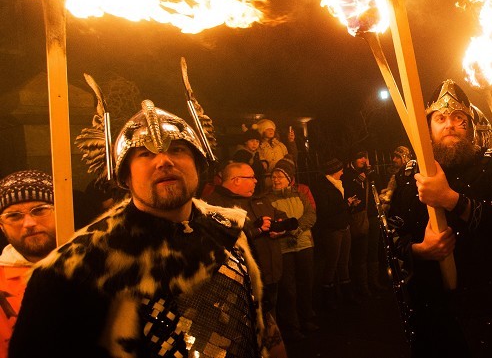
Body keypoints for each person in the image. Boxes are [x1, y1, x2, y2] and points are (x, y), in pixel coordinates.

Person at [9, 100, 268, 357]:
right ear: (125, 175)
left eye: (177, 149)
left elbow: (262, 324)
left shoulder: (230, 229)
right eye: (145, 153)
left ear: (198, 164)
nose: (164, 160)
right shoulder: (76, 268)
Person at [387, 79, 492, 357]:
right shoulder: (406, 176)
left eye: (458, 118)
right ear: (428, 128)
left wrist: (452, 200)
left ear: (470, 123)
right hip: (432, 313)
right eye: (440, 118)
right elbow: (386, 240)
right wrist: (418, 251)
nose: (449, 125)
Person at [205, 162, 288, 339]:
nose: (256, 181)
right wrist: (256, 231)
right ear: (235, 180)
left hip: (270, 272)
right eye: (251, 177)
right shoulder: (214, 206)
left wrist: (281, 226)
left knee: (270, 319)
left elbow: (278, 214)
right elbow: (221, 241)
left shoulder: (255, 199)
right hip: (243, 282)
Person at [0, 170, 55, 358]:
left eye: (39, 210)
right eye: (14, 216)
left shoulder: (92, 268)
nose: (29, 223)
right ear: (2, 227)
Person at [269, 159, 318, 339]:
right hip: (283, 248)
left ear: (289, 179)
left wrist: (295, 230)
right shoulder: (269, 199)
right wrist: (285, 232)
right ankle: (292, 325)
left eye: (280, 176)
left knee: (306, 282)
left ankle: (307, 317)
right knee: (288, 288)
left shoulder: (300, 194)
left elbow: (311, 215)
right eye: (274, 176)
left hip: (304, 244)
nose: (276, 179)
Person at [310, 158, 353, 310]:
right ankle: (328, 297)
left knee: (344, 261)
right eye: (340, 169)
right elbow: (325, 210)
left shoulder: (338, 184)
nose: (342, 171)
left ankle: (346, 294)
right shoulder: (322, 187)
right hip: (332, 229)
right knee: (332, 262)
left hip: (343, 226)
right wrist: (345, 204)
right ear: (334, 171)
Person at [342, 151, 376, 299]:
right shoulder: (347, 175)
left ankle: (373, 282)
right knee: (360, 253)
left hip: (372, 216)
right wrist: (359, 180)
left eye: (365, 157)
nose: (363, 160)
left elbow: (376, 186)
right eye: (360, 157)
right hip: (358, 219)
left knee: (372, 250)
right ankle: (362, 287)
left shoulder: (368, 172)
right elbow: (349, 193)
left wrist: (370, 173)